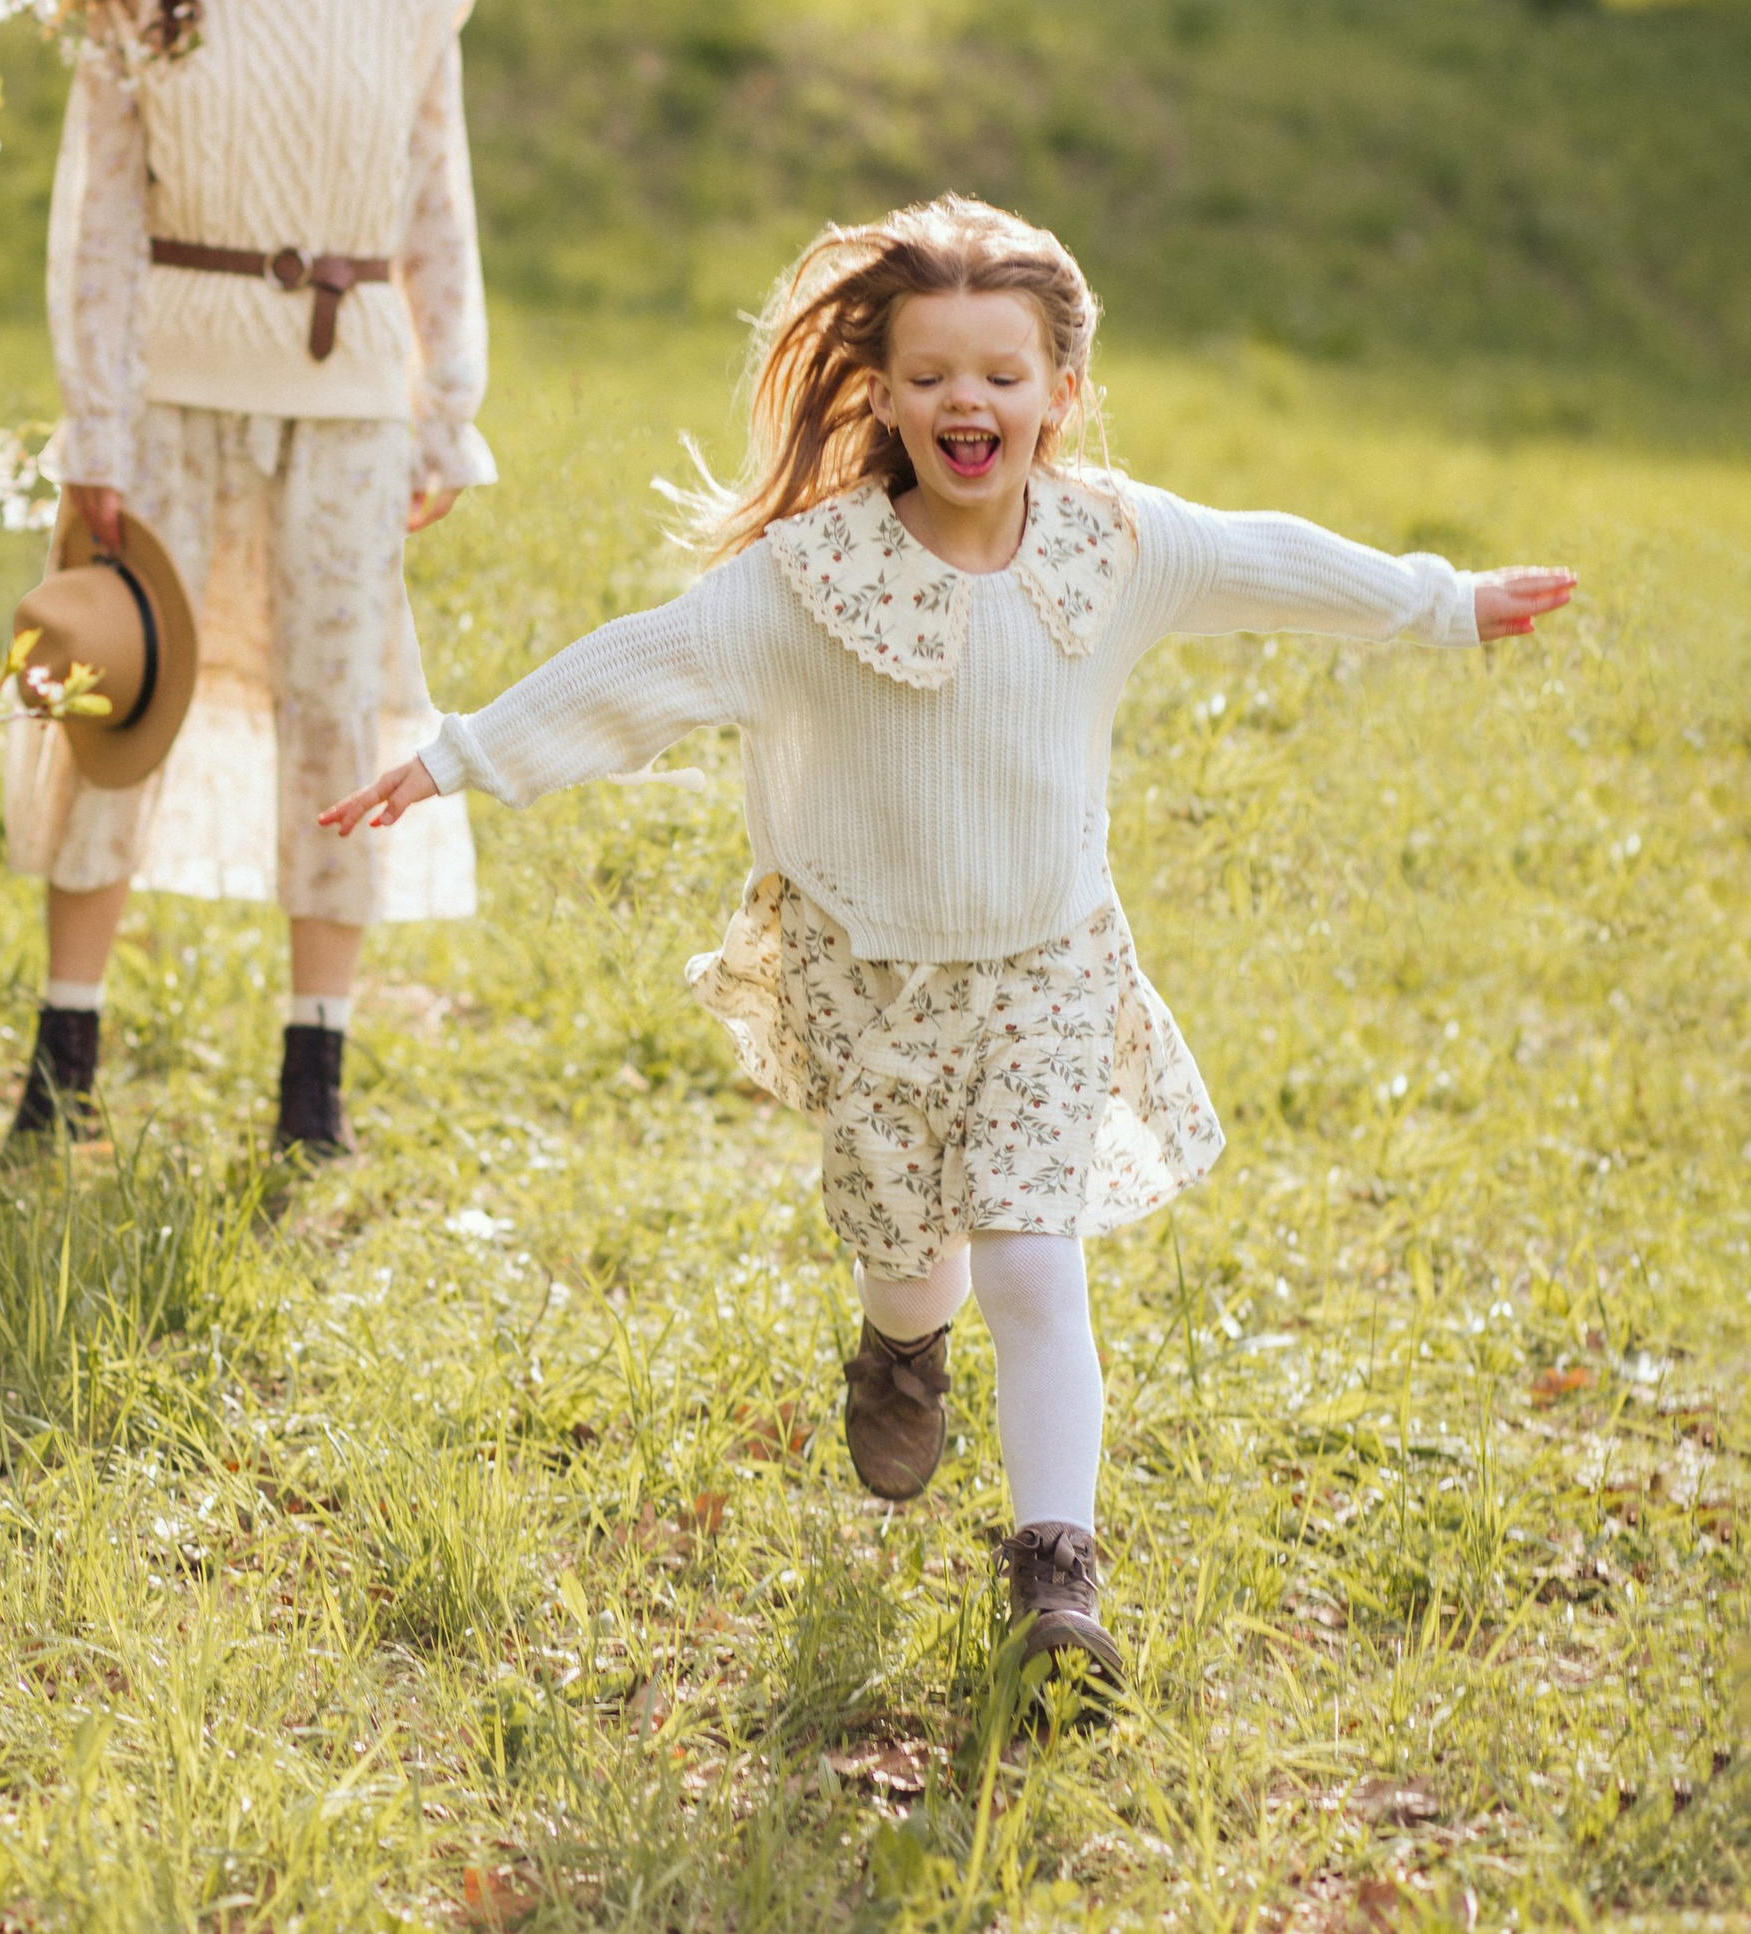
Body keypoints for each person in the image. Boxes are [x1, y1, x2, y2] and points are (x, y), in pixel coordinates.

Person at [325, 193, 1574, 1689]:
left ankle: (1059, 1583)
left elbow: (1273, 562)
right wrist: (458, 753)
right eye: (929, 377)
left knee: (1035, 1267)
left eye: (1000, 372)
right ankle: (899, 1346)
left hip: (1051, 967)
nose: (965, 401)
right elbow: (642, 669)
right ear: (884, 399)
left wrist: (1445, 602)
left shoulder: (1117, 548)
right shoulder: (813, 583)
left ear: (1062, 392)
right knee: (911, 1259)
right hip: (867, 981)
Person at [4, 0, 494, 1159]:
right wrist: (95, 430)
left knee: (337, 716)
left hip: (348, 409)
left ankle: (313, 1088)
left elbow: (437, 216)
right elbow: (95, 229)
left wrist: (444, 410)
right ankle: (63, 1064)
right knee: (116, 704)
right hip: (164, 401)